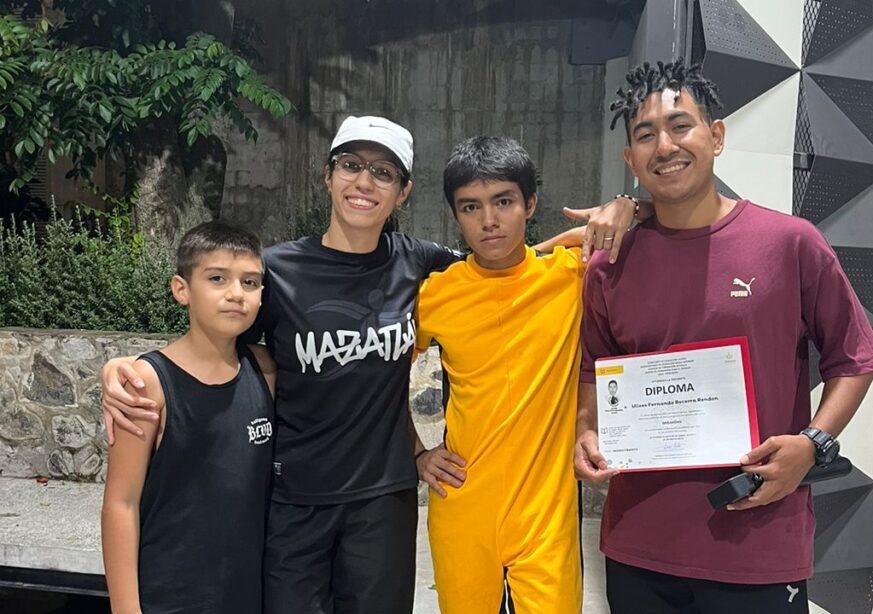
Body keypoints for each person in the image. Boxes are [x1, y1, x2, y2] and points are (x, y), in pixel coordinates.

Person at [100, 116, 638, 613]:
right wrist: (136, 369)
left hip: (384, 502)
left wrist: (626, 206)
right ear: (328, 175)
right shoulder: (277, 271)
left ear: (403, 191)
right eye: (351, 165)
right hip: (296, 499)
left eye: (383, 172)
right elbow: (221, 335)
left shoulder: (418, 264)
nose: (364, 181)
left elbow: (505, 266)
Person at [573, 59, 873, 614]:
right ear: (630, 159)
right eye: (645, 135)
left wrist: (813, 444)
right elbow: (594, 369)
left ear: (716, 136)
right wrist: (586, 432)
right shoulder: (608, 264)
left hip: (758, 541)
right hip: (637, 545)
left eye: (680, 125)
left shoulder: (790, 243)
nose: (664, 145)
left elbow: (854, 358)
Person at [414, 137, 647, 613]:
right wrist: (417, 450)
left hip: (546, 511)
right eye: (471, 207)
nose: (489, 220)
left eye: (503, 202)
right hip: (463, 502)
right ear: (455, 215)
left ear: (531, 204)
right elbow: (383, 373)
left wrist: (630, 205)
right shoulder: (435, 294)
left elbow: (669, 219)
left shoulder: (570, 274)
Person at [101, 222, 276, 614]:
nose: (236, 293)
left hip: (247, 595)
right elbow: (121, 504)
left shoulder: (264, 369)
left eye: (250, 282)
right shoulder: (147, 384)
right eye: (217, 278)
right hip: (170, 597)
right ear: (182, 289)